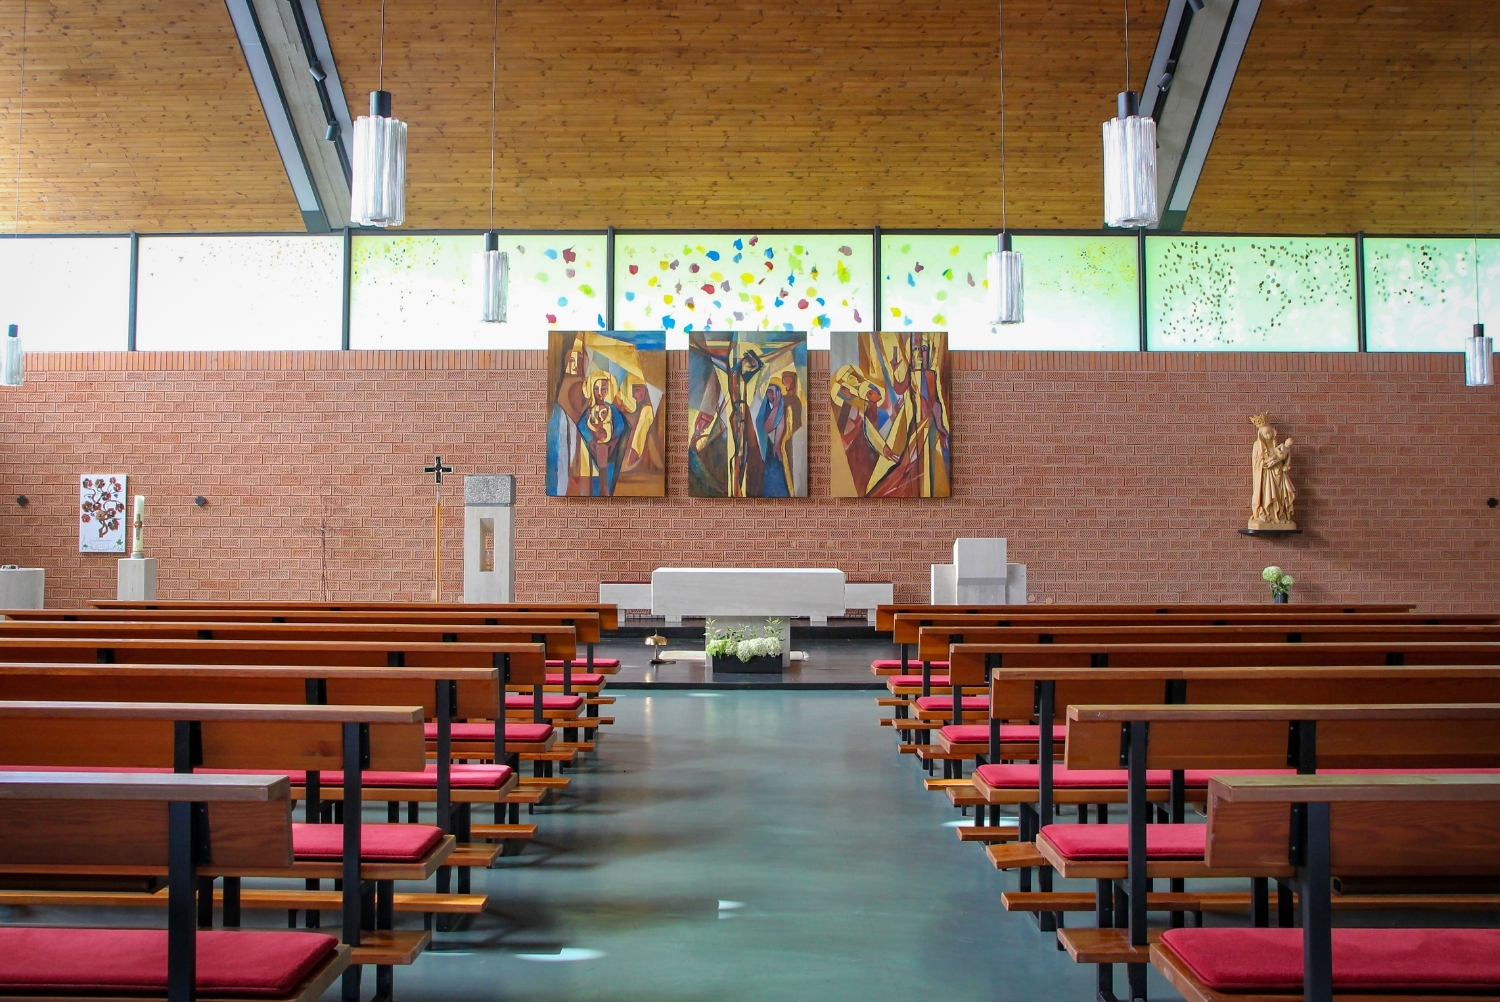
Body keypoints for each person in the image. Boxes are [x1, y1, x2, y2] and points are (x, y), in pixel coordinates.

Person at [1249, 413, 1296, 525]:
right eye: (1265, 434)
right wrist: (1266, 464)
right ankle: (1264, 513)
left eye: (1270, 432)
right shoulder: (1258, 445)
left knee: (1279, 494)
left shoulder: (1276, 444)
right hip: (1265, 476)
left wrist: (1281, 463)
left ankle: (1278, 514)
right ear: (1261, 435)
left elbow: (1284, 457)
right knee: (1267, 495)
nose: (1268, 436)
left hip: (1278, 474)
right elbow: (1257, 463)